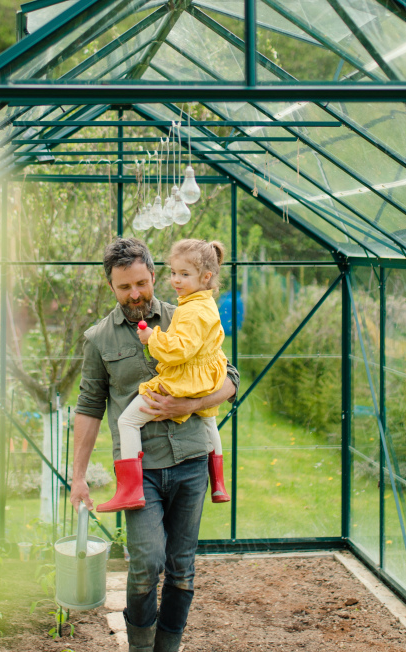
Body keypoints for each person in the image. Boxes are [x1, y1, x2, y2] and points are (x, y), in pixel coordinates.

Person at [70, 237, 239, 652]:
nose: (135, 294)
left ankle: (169, 647)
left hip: (191, 459)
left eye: (142, 283)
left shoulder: (187, 314)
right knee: (146, 565)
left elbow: (229, 377)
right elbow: (89, 408)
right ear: (111, 286)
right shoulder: (99, 340)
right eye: (124, 287)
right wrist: (78, 477)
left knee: (182, 568)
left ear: (152, 274)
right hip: (141, 471)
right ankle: (140, 649)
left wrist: (193, 401)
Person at [96, 238, 231, 511]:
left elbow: (181, 349)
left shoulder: (190, 310)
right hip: (206, 376)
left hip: (183, 380)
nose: (176, 280)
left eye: (184, 274)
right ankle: (218, 482)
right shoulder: (203, 303)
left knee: (128, 421)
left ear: (206, 276)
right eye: (174, 273)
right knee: (209, 420)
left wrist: (151, 338)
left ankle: (130, 489)